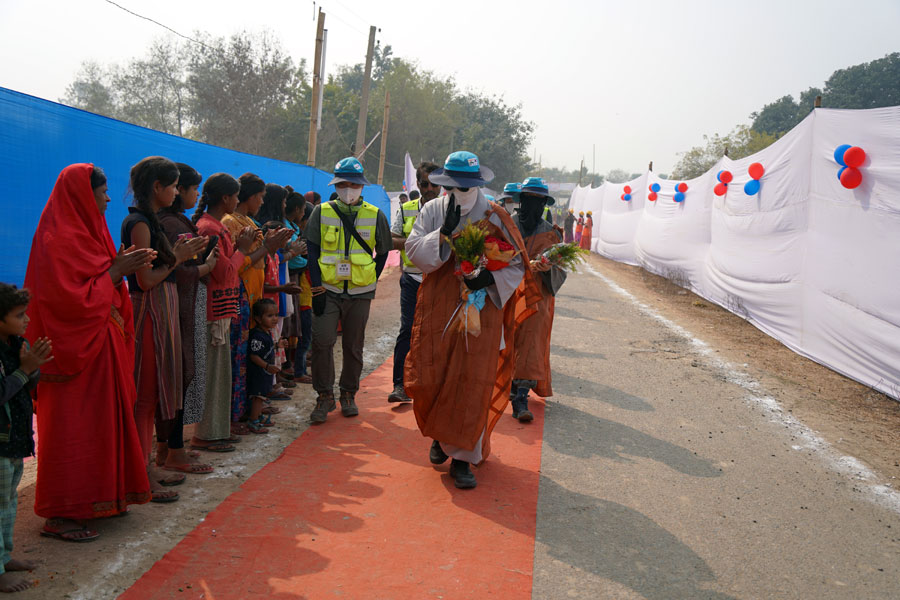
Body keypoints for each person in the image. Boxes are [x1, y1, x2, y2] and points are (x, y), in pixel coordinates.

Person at [26, 164, 153, 541]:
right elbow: (62, 301)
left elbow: (103, 281)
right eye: (102, 192)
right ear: (83, 195)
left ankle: (105, 497)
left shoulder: (92, 233)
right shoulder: (56, 239)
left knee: (103, 425)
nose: (108, 199)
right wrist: (116, 272)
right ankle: (61, 513)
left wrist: (117, 270)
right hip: (72, 355)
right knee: (73, 430)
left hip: (102, 348)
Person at [404, 151, 536, 489]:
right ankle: (439, 436)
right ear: (445, 183)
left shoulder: (496, 214)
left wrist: (488, 280)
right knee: (433, 372)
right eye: (454, 185)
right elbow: (413, 251)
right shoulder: (434, 210)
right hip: (439, 303)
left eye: (467, 185)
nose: (460, 191)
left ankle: (463, 459)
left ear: (478, 183)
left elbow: (518, 264)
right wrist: (442, 235)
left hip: (482, 308)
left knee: (472, 379)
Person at [121, 157, 210, 502]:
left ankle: (146, 466)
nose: (175, 192)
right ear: (157, 187)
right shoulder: (140, 222)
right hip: (149, 310)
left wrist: (177, 257)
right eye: (172, 185)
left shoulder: (151, 220)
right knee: (144, 396)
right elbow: (144, 280)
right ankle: (140, 472)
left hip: (164, 307)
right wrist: (177, 256)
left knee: (156, 393)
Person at [304, 157, 392, 423]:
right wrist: (316, 286)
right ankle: (324, 396)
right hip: (327, 289)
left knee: (354, 345)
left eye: (352, 184)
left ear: (362, 186)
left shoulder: (375, 215)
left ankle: (348, 394)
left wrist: (371, 278)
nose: (347, 188)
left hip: (360, 292)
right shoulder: (322, 211)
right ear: (336, 184)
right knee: (322, 342)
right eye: (342, 184)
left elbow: (384, 251)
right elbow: (312, 250)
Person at [157, 162, 217, 475]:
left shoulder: (176, 219)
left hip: (184, 304)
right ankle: (173, 450)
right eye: (192, 188)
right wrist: (205, 268)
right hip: (177, 306)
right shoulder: (169, 223)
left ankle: (168, 447)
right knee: (178, 375)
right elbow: (177, 269)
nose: (196, 194)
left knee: (181, 375)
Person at [222, 174, 292, 431]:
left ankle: (252, 406)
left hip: (252, 294)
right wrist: (268, 247)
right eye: (260, 197)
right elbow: (235, 264)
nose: (262, 202)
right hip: (238, 294)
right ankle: (236, 414)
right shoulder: (229, 223)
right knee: (240, 359)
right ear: (251, 197)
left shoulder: (249, 221)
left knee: (253, 356)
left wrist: (274, 247)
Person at [0, 284, 48, 592]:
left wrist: (33, 367)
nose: (27, 320)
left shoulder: (16, 343)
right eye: (19, 315)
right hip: (0, 442)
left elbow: (29, 382)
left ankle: (4, 556)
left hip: (14, 440)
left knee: (9, 502)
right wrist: (25, 369)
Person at [509, 177, 567, 422]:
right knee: (507, 342)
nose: (532, 206)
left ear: (544, 204)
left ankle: (521, 397)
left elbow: (561, 269)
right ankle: (509, 387)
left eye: (538, 201)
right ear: (520, 201)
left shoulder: (550, 234)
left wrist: (547, 267)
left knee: (532, 344)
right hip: (508, 293)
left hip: (538, 297)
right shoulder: (506, 226)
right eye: (528, 200)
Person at [387, 161, 440, 403]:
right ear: (418, 184)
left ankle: (433, 385)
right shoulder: (407, 208)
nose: (430, 188)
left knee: (438, 333)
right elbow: (392, 238)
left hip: (440, 281)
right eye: (425, 184)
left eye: (435, 184)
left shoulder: (450, 208)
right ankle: (400, 385)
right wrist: (417, 242)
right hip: (412, 279)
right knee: (408, 330)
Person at [284, 194, 313, 384]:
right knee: (302, 335)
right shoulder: (291, 232)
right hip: (301, 295)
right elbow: (298, 262)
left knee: (301, 334)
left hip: (304, 295)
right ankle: (298, 370)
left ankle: (295, 367)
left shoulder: (295, 231)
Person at [246, 299, 282, 433]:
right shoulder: (257, 335)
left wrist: (278, 346)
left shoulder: (267, 332)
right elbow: (254, 356)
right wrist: (267, 366)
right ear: (258, 318)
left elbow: (266, 349)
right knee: (258, 397)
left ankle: (258, 416)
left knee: (262, 396)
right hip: (258, 372)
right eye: (270, 316)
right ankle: (253, 421)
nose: (275, 319)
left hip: (265, 372)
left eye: (276, 315)